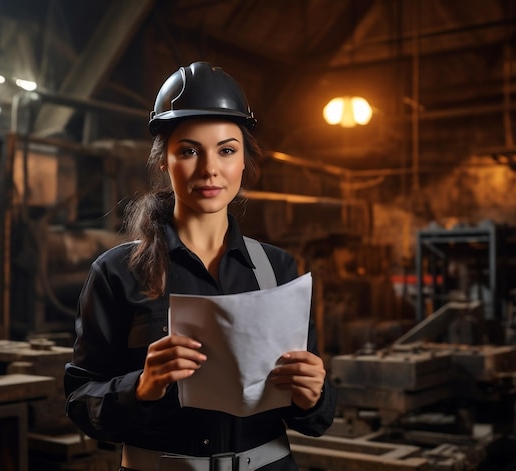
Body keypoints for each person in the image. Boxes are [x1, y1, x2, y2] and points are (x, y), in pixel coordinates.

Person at [64, 61, 336, 471]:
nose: (210, 168)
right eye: (189, 150)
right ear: (163, 163)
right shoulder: (117, 271)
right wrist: (142, 386)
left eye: (227, 150)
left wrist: (313, 394)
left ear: (244, 161)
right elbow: (81, 400)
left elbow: (316, 418)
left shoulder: (277, 268)